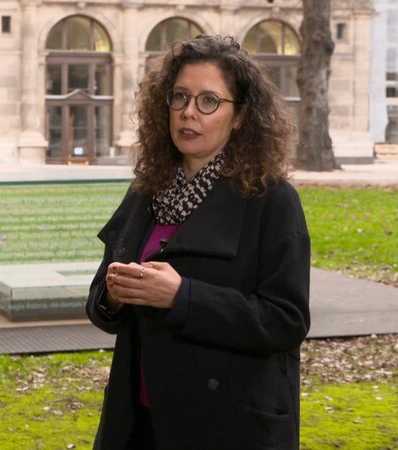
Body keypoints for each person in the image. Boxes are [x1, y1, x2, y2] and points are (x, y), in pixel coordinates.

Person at [86, 35, 310, 450]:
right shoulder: (146, 191)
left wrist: (182, 297)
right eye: (180, 97)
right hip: (139, 422)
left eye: (209, 101)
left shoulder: (272, 199)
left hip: (226, 425)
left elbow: (286, 322)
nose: (189, 112)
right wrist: (115, 296)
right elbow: (101, 304)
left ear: (239, 116)